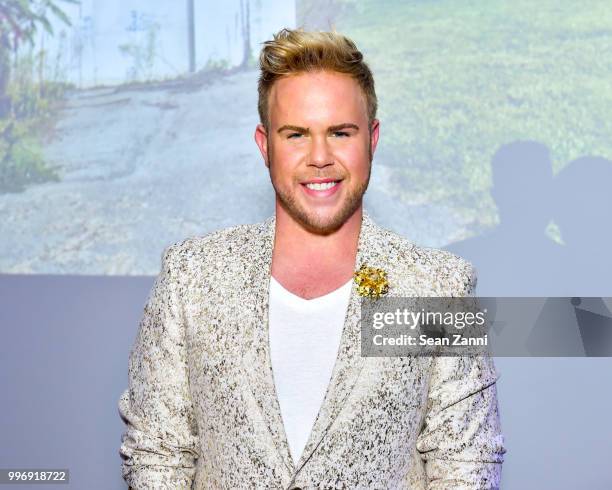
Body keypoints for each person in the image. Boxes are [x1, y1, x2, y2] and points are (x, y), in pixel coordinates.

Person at [117, 27, 506, 489]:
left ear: (371, 139)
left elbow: (468, 463)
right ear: (265, 146)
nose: (320, 157)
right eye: (297, 134)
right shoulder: (192, 277)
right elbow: (156, 453)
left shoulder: (440, 287)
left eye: (340, 132)